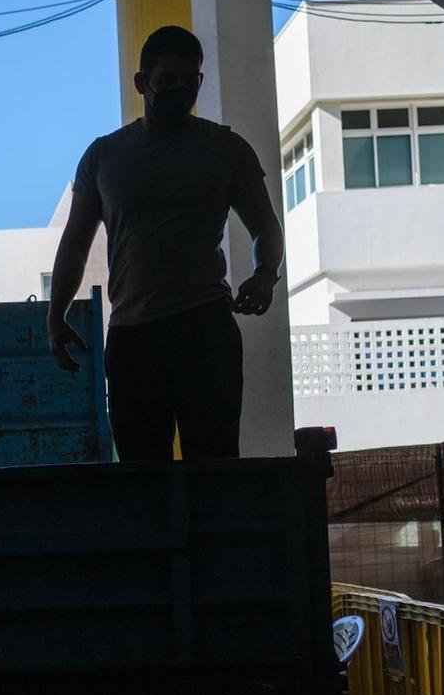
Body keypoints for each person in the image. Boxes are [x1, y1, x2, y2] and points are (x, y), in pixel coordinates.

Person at [46, 24, 284, 460]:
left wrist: (267, 274)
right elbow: (75, 243)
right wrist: (56, 312)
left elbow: (265, 226)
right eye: (167, 80)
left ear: (200, 80)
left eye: (189, 80)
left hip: (205, 331)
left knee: (213, 474)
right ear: (142, 83)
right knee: (144, 485)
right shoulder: (104, 157)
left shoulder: (225, 149)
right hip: (134, 337)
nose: (179, 89)